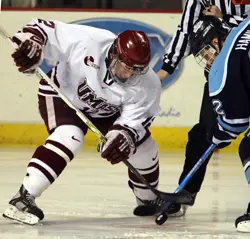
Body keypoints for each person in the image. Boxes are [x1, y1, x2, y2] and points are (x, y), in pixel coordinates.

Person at [2, 19, 162, 225]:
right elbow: (43, 29)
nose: (130, 74)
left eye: (137, 70)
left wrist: (122, 137)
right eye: (126, 67)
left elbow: (135, 120)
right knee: (71, 136)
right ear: (114, 54)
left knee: (145, 149)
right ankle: (23, 198)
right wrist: (33, 44)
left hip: (106, 112)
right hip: (62, 96)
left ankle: (148, 201)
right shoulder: (89, 41)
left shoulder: (148, 83)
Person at [157, 0, 250, 216]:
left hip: (244, 61)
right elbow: (185, 29)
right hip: (224, 71)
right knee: (203, 134)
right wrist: (167, 67)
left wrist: (226, 19)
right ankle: (185, 192)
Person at [189, 15, 250, 232]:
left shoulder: (224, 67)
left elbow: (236, 122)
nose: (206, 60)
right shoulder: (243, 28)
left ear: (215, 42)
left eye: (205, 52)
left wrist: (220, 133)